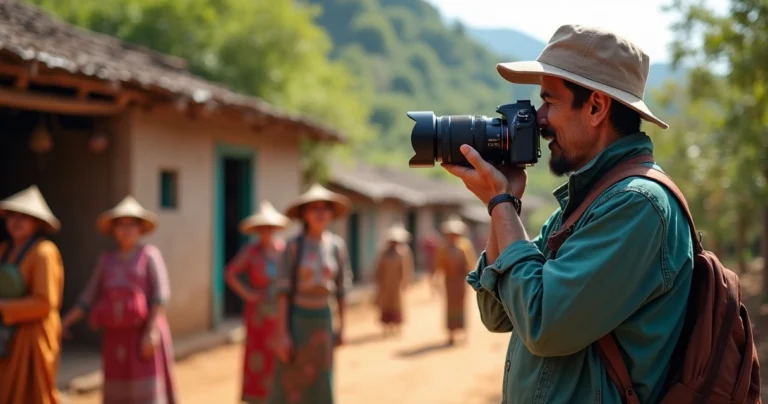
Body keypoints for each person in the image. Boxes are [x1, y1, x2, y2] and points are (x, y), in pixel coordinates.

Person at [442, 24, 694, 403]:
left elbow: (543, 325)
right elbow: (498, 313)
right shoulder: (588, 201)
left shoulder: (638, 205)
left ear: (595, 106)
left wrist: (501, 203)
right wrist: (504, 202)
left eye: (550, 101)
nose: (538, 118)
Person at [61, 196, 178, 404]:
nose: (126, 230)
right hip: (115, 337)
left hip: (143, 334)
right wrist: (64, 323)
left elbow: (161, 295)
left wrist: (151, 331)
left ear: (139, 229)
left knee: (146, 389)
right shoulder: (106, 259)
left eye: (131, 225)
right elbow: (88, 296)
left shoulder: (149, 255)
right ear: (114, 229)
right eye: (120, 225)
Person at [268, 184, 353, 404]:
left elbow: (342, 290)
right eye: (314, 208)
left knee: (322, 376)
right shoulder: (294, 247)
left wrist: (342, 326)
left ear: (332, 214)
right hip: (298, 319)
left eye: (325, 208)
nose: (320, 213)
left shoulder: (336, 247)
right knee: (293, 376)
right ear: (304, 214)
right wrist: (282, 334)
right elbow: (283, 292)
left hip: (323, 319)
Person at [0, 185, 64, 404]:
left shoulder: (44, 252)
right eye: (12, 216)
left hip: (33, 337)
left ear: (37, 222)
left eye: (24, 217)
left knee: (34, 394)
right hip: (7, 335)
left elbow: (45, 303)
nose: (16, 221)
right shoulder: (3, 250)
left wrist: (3, 307)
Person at [225, 200, 289, 404]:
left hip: (279, 310)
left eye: (269, 228)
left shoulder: (283, 251)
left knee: (280, 352)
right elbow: (230, 273)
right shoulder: (250, 252)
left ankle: (278, 396)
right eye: (262, 229)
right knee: (258, 355)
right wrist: (248, 294)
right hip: (258, 315)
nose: (266, 233)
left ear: (276, 229)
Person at [433, 215, 476, 346]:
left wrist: (470, 277)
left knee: (462, 306)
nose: (452, 237)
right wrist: (436, 280)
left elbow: (471, 264)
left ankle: (463, 333)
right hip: (449, 282)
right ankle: (450, 335)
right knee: (450, 308)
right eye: (450, 234)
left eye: (454, 234)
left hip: (460, 282)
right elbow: (439, 265)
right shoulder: (442, 248)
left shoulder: (465, 247)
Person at [372, 223, 414, 336]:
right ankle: (386, 327)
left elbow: (405, 270)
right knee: (385, 305)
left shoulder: (402, 254)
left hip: (397, 285)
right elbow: (378, 268)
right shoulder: (383, 253)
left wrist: (405, 282)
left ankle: (396, 327)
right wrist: (378, 281)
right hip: (385, 284)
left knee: (397, 305)